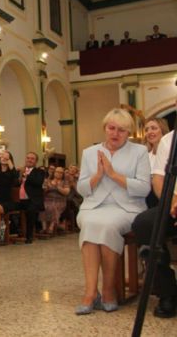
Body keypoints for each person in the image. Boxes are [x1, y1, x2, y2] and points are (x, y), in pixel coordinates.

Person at [75, 108, 150, 315]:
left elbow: (144, 188)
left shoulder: (139, 152)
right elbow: (81, 188)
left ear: (129, 133)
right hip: (93, 206)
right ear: (105, 128)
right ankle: (91, 293)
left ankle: (108, 290)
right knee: (91, 223)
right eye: (112, 128)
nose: (115, 133)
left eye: (122, 130)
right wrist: (98, 175)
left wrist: (113, 174)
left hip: (127, 207)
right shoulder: (89, 153)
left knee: (107, 225)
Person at [133, 128, 177, 318]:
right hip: (174, 203)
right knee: (144, 224)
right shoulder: (170, 140)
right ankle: (168, 292)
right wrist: (173, 204)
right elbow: (158, 180)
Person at [15, 152, 47, 244]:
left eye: (32, 158)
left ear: (36, 161)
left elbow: (38, 182)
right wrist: (20, 177)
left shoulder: (40, 172)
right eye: (28, 158)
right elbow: (15, 183)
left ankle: (29, 236)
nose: (29, 160)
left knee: (30, 211)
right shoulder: (20, 171)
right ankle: (18, 232)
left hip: (33, 200)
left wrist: (27, 176)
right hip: (19, 199)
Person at [0, 150, 19, 243]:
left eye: (7, 157)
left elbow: (16, 178)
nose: (4, 158)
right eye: (2, 157)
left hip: (7, 201)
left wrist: (9, 162)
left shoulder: (11, 172)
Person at [143, 117, 169, 208]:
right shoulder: (145, 156)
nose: (149, 132)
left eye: (154, 128)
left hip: (163, 198)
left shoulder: (170, 156)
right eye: (147, 130)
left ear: (163, 131)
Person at [41, 167, 70, 234]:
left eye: (61, 172)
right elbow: (43, 192)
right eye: (57, 172)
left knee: (54, 207)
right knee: (43, 206)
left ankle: (51, 227)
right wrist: (46, 188)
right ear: (54, 172)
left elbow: (66, 192)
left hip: (60, 200)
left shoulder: (64, 182)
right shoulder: (48, 180)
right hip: (47, 200)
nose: (58, 174)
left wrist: (58, 187)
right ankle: (44, 228)